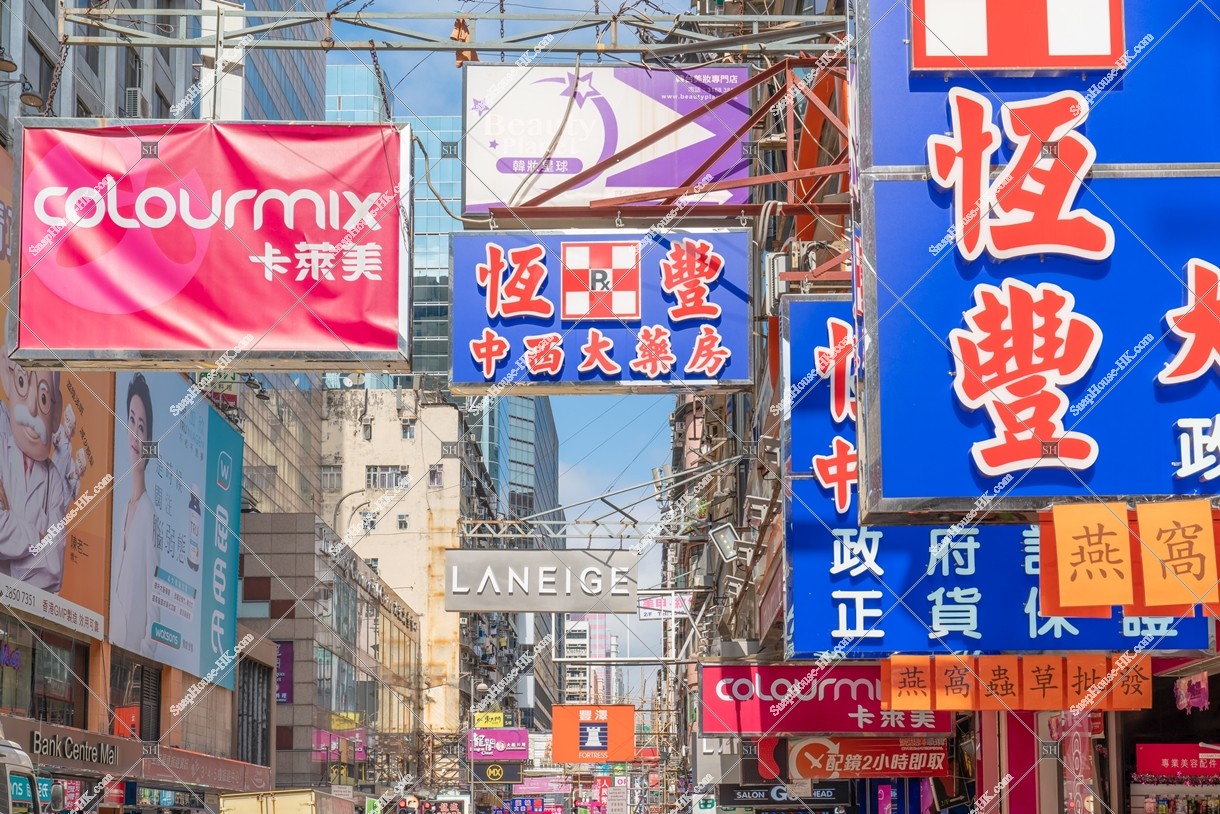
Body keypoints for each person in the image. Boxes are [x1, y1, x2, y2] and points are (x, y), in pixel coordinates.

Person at [0, 360, 85, 590]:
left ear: (55, 414)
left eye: (43, 398)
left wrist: (10, 546)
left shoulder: (54, 480)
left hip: (26, 614)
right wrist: (38, 537)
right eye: (21, 383)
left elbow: (54, 570)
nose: (32, 408)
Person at [111, 374, 159, 658]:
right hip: (112, 647)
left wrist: (144, 652)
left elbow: (155, 595)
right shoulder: (122, 509)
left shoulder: (149, 515)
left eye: (142, 427)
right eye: (131, 420)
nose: (135, 435)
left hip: (131, 662)